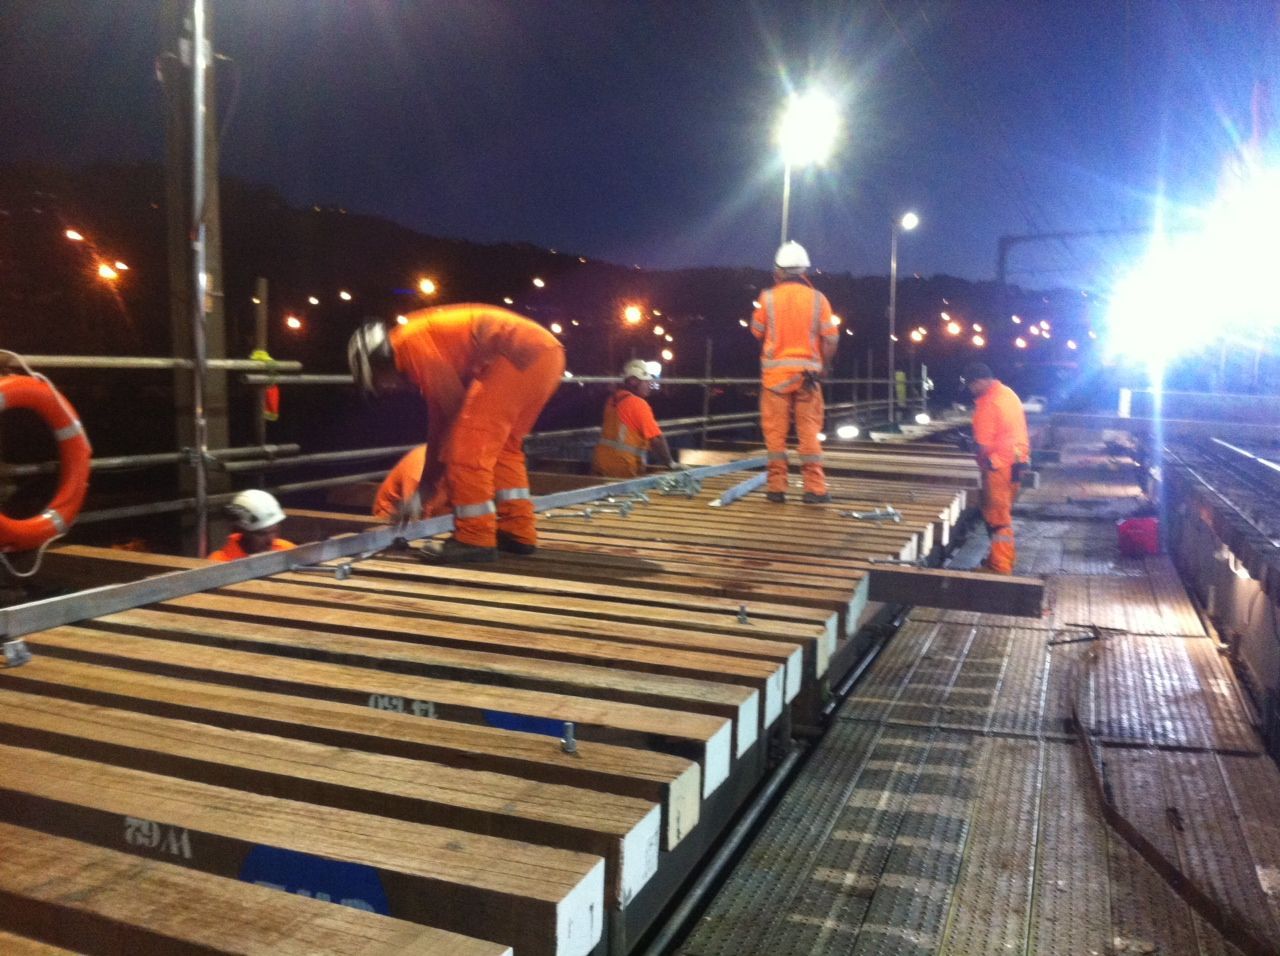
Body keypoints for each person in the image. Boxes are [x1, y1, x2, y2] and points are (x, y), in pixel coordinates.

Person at [347, 304, 565, 563]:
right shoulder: (416, 338)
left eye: (380, 381)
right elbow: (440, 421)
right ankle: (517, 532)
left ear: (376, 362)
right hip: (544, 355)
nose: (389, 387)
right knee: (505, 448)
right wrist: (427, 486)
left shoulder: (409, 345)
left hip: (517, 354)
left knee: (467, 446)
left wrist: (426, 488)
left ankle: (474, 538)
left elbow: (450, 415)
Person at [750, 240, 839, 503]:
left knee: (775, 435)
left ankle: (776, 488)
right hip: (808, 379)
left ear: (778, 271)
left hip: (774, 380)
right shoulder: (818, 299)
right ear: (804, 271)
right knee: (809, 433)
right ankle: (815, 489)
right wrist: (823, 366)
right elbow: (831, 339)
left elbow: (756, 330)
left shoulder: (767, 298)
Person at [962, 361, 1030, 575]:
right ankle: (997, 560)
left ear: (980, 381)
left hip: (998, 465)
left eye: (971, 386)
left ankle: (1000, 567)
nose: (971, 391)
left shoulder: (988, 403)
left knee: (997, 518)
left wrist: (966, 445)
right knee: (1001, 513)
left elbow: (983, 444)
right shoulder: (1008, 393)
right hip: (1016, 462)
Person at [592, 359, 676, 477]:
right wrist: (670, 463)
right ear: (633, 381)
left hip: (600, 463)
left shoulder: (612, 400)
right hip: (622, 466)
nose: (649, 386)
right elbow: (657, 439)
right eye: (646, 382)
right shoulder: (638, 403)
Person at [209, 489, 295, 561]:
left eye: (274, 531)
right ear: (242, 530)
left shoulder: (287, 550)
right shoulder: (219, 562)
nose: (270, 541)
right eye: (261, 534)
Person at [373, 444, 427, 521]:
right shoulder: (418, 468)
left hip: (418, 510)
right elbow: (411, 513)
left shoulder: (435, 456)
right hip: (390, 517)